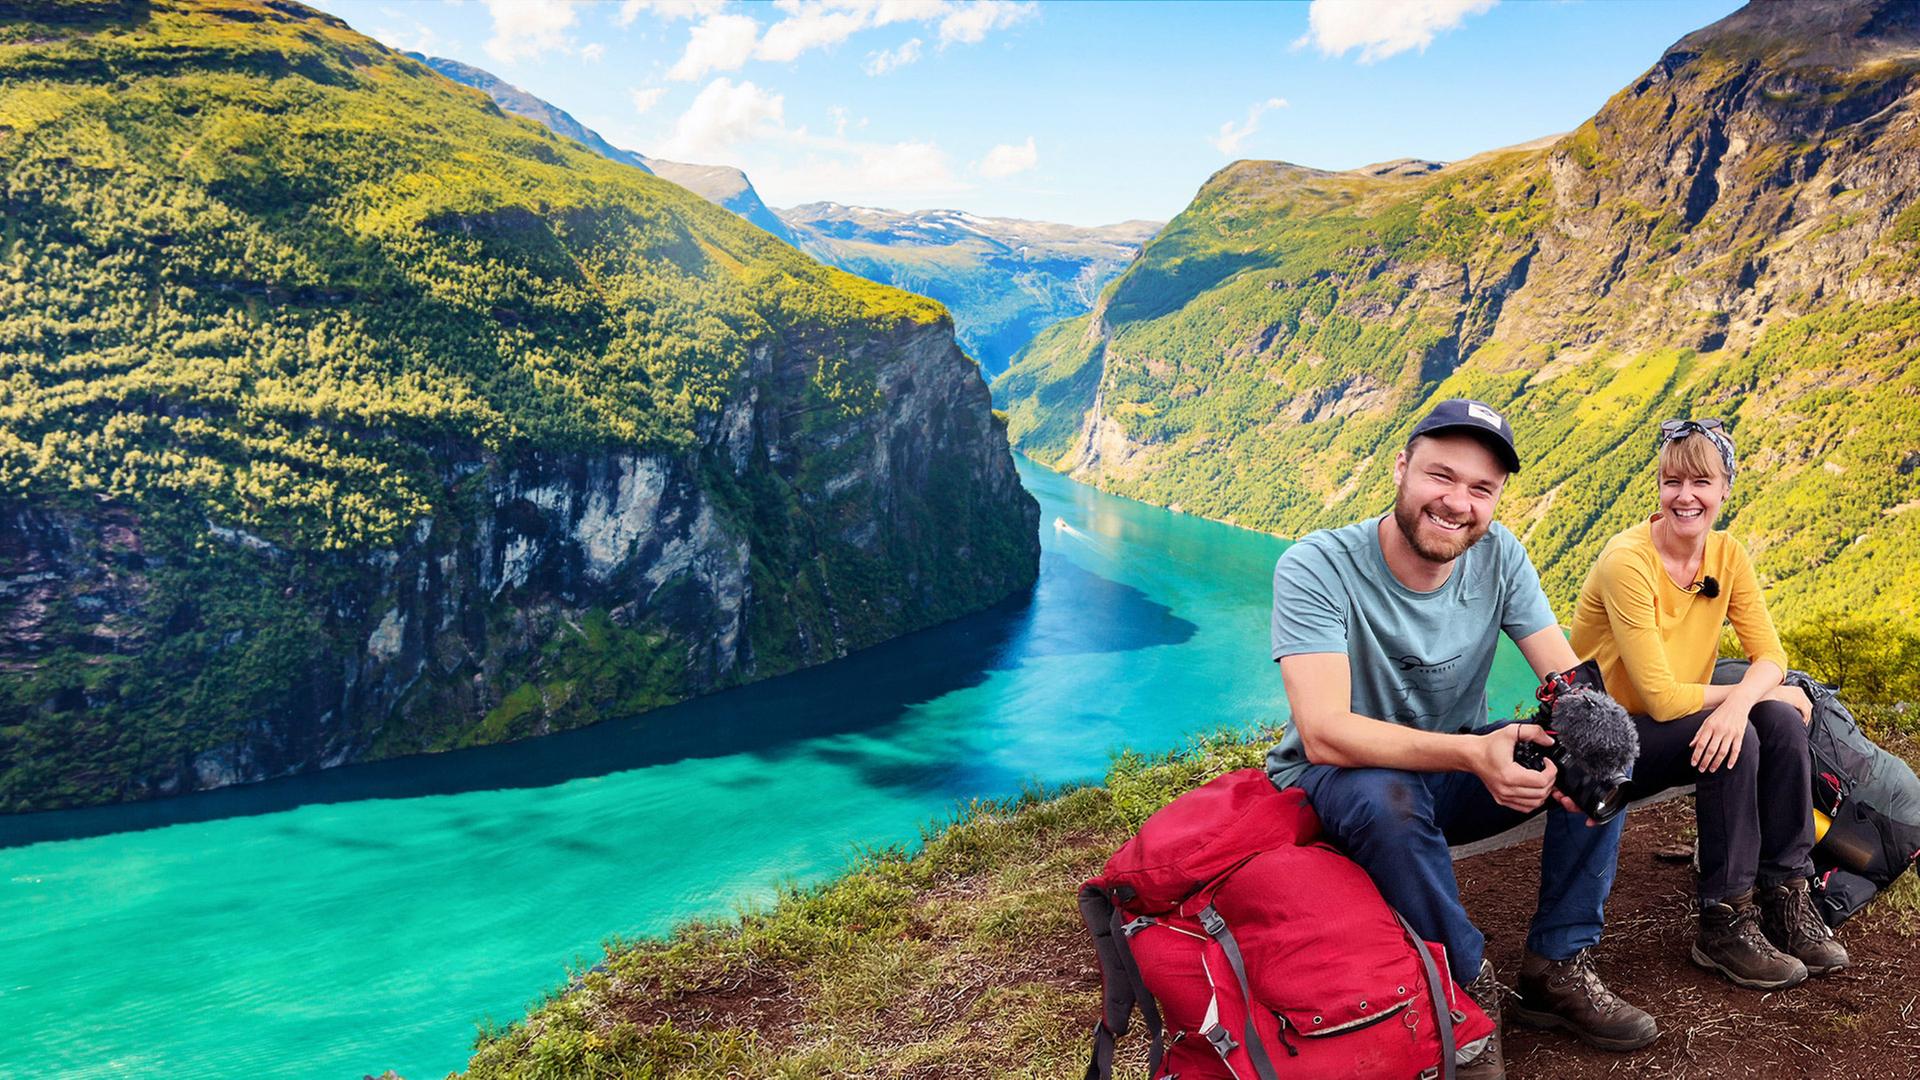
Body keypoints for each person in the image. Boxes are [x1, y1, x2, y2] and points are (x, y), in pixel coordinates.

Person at [1266, 399, 1659, 1080]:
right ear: (1401, 468)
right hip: (1339, 784)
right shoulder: (1318, 565)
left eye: (1481, 488)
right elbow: (1325, 733)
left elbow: (1564, 675)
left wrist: (1593, 734)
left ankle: (1557, 964)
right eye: (1440, 476)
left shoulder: (1499, 554)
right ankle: (1464, 990)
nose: (1457, 503)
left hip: (1449, 770)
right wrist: (1474, 753)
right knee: (1387, 796)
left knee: (1590, 752)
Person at [1568, 418, 1847, 990]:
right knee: (1740, 734)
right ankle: (1724, 920)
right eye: (1672, 481)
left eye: (1701, 482)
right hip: (1604, 736)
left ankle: (1786, 893)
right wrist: (1747, 700)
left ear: (1725, 489)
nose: (1685, 496)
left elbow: (1771, 654)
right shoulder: (1628, 561)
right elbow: (1660, 698)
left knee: (1779, 719)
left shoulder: (1727, 555)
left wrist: (1745, 699)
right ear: (1659, 486)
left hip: (1674, 721)